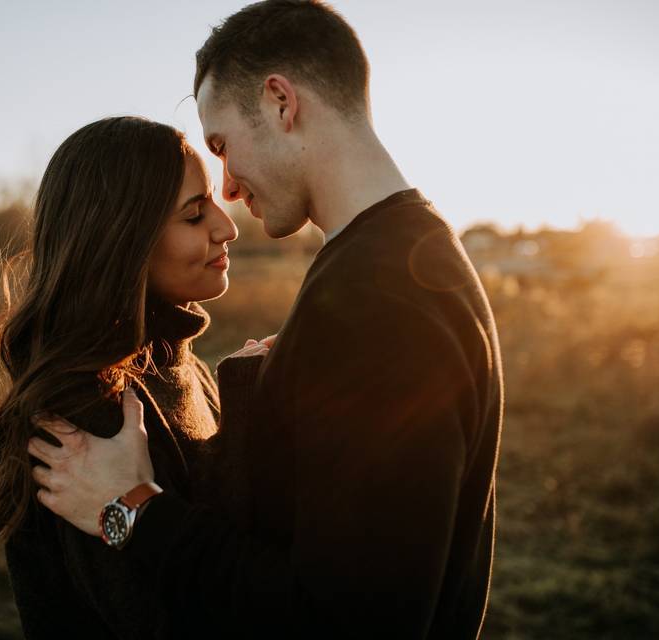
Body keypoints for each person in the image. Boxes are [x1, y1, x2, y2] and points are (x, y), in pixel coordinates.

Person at [28, 0, 504, 637]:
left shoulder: (375, 299)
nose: (227, 190)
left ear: (281, 101)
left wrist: (132, 513)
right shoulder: (409, 254)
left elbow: (344, 624)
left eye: (222, 144)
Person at [0, 115, 268, 638]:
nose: (227, 227)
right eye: (195, 215)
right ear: (123, 239)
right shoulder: (84, 412)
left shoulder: (184, 368)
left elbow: (228, 542)